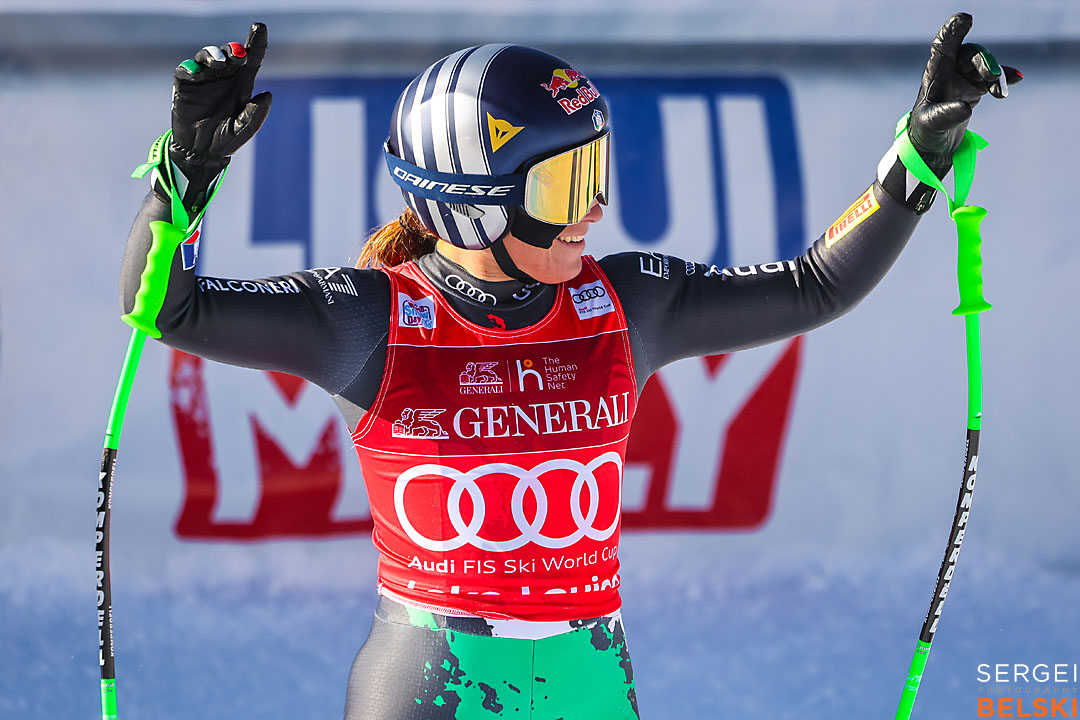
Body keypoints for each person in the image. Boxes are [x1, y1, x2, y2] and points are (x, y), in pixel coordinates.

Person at [119, 15, 1020, 719]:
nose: (591, 208)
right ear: (470, 202)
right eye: (561, 184)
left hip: (590, 681)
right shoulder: (373, 317)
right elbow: (164, 305)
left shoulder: (626, 304)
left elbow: (817, 284)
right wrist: (183, 177)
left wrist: (920, 151)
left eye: (595, 169)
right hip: (431, 689)